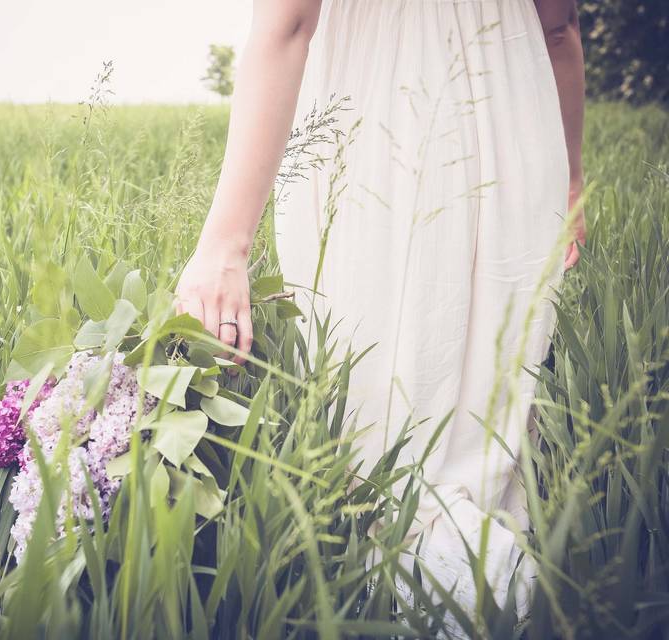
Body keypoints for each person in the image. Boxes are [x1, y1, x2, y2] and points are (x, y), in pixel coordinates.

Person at [174, 0, 586, 628]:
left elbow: (287, 22)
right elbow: (558, 26)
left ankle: (412, 590)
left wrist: (225, 244)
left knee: (378, 439)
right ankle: (493, 589)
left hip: (373, 121)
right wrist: (572, 181)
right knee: (482, 433)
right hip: (516, 115)